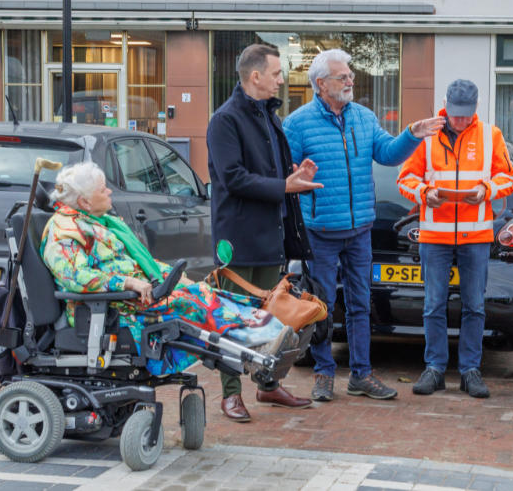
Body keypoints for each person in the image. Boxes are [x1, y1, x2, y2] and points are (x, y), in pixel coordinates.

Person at [283, 49, 444, 401]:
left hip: (359, 232)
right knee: (320, 304)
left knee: (360, 303)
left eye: (351, 75)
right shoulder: (297, 123)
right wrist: (297, 176)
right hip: (320, 232)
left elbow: (387, 153)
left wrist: (412, 134)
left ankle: (361, 374)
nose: (350, 81)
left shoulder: (364, 117)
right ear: (321, 84)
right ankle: (323, 373)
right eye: (343, 77)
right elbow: (284, 174)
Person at [41, 162, 299, 379]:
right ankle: (256, 350)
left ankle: (265, 340)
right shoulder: (64, 231)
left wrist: (170, 276)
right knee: (195, 304)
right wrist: (127, 283)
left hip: (133, 300)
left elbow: (138, 262)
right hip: (110, 310)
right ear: (85, 201)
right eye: (103, 189)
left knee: (202, 291)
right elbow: (75, 277)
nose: (110, 191)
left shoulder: (100, 222)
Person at [207, 44, 322, 421]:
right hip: (238, 239)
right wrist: (285, 186)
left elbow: (269, 171)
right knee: (233, 318)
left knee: (270, 318)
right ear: (255, 76)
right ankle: (230, 394)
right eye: (276, 74)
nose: (281, 80)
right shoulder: (225, 120)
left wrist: (293, 174)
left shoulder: (270, 117)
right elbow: (233, 178)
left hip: (270, 235)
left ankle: (268, 386)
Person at [396, 79, 513, 399]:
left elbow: (508, 177)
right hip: (434, 235)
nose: (460, 120)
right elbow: (405, 179)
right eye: (455, 114)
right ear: (445, 106)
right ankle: (434, 368)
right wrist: (425, 193)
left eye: (466, 115)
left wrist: (486, 190)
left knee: (475, 305)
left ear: (475, 109)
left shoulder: (491, 136)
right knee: (433, 304)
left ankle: (469, 371)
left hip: (476, 236)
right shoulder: (427, 136)